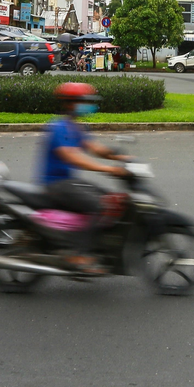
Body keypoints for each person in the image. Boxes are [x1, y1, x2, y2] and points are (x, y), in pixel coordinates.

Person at [38, 82, 133, 272]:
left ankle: (100, 247)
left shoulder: (77, 127)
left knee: (112, 200)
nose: (88, 105)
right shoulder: (58, 127)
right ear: (70, 103)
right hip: (56, 185)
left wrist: (121, 156)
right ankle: (79, 254)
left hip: (69, 182)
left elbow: (95, 147)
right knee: (100, 206)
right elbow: (72, 157)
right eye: (84, 101)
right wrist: (109, 169)